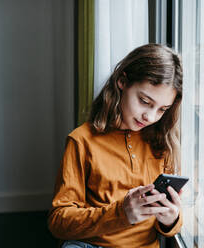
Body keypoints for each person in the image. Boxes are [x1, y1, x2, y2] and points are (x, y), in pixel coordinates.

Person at [47, 44, 183, 248]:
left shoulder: (164, 144)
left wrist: (171, 219)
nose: (150, 116)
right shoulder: (82, 140)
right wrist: (120, 213)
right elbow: (58, 222)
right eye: (145, 101)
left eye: (162, 109)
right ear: (122, 81)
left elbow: (171, 227)